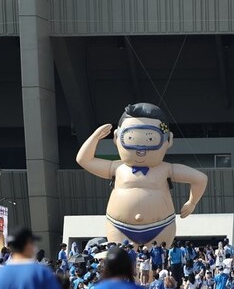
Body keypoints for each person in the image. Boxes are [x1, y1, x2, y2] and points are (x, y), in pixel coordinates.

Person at [75, 103, 208, 246]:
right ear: (116, 137)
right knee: (121, 259)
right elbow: (84, 160)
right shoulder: (117, 167)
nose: (141, 150)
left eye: (151, 140)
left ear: (168, 140)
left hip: (161, 225)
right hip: (118, 225)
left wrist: (192, 202)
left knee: (157, 258)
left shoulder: (166, 169)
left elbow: (200, 179)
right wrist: (95, 138)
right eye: (130, 139)